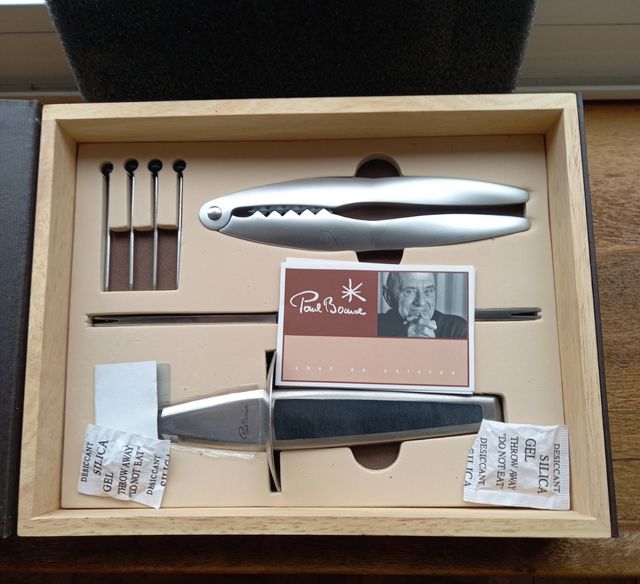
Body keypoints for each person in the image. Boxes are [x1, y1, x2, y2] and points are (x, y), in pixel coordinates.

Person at [377, 271, 467, 339]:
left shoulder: (457, 329)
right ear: (388, 296)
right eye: (409, 292)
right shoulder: (373, 327)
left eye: (428, 291)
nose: (421, 302)